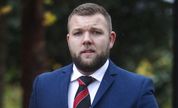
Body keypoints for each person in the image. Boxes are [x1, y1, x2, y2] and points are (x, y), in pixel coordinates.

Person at [29, 3, 159, 108]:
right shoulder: (44, 86)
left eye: (96, 32)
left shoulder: (137, 89)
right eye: (78, 33)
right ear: (69, 40)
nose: (86, 40)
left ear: (111, 39)